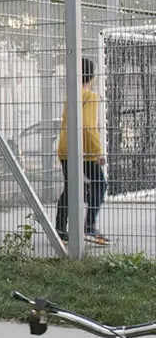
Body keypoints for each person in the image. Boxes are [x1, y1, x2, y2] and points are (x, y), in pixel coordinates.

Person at [55, 57, 109, 246]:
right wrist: (98, 151)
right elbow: (87, 126)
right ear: (92, 76)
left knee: (71, 187)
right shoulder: (90, 96)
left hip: (65, 147)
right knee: (100, 184)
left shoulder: (72, 94)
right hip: (83, 149)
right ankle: (89, 226)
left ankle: (60, 228)